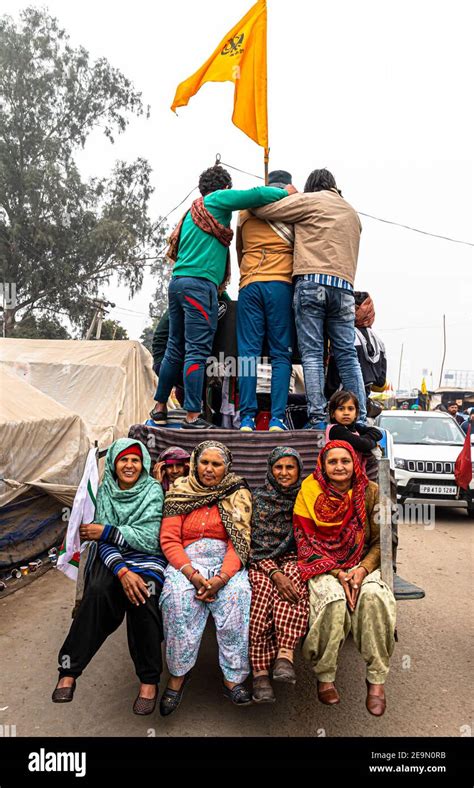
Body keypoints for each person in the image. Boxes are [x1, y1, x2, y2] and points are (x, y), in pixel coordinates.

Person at [151, 165, 293, 430]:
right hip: (200, 286)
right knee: (196, 351)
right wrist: (285, 191)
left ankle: (159, 407)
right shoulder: (217, 199)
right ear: (225, 188)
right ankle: (193, 415)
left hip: (178, 282)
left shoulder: (192, 211)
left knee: (175, 348)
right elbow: (255, 195)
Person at [52, 439, 166, 715]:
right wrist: (121, 570)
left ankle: (149, 680)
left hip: (146, 558)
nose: (129, 465)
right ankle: (69, 670)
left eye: (135, 460)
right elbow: (97, 537)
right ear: (114, 463)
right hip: (113, 557)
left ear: (144, 464)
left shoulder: (152, 491)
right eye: (123, 460)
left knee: (143, 598)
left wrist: (105, 531)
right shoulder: (105, 490)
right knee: (98, 591)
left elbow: (150, 539)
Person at [253, 168, 367, 429]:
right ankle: (359, 418)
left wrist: (287, 194)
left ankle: (317, 418)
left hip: (312, 283)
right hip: (345, 289)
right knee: (347, 355)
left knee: (313, 354)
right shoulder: (352, 212)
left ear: (312, 186)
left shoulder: (310, 201)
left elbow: (264, 211)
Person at [293, 440, 396, 717]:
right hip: (322, 566)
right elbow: (305, 541)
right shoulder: (309, 490)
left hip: (362, 564)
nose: (339, 466)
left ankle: (376, 680)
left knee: (375, 598)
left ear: (354, 464)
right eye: (332, 461)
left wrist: (361, 571)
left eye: (345, 461)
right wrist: (338, 573)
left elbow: (380, 542)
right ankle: (325, 675)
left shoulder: (370, 492)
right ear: (323, 466)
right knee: (334, 601)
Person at [159, 440, 253, 714]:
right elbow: (169, 539)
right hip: (186, 563)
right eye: (204, 462)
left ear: (227, 467)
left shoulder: (237, 493)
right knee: (176, 601)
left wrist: (221, 578)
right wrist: (193, 574)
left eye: (216, 463)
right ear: (194, 464)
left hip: (226, 563)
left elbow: (240, 542)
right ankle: (178, 675)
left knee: (238, 597)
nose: (209, 469)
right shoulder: (180, 491)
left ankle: (232, 678)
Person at [236, 169, 296, 432]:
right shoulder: (292, 207)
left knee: (247, 355)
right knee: (280, 355)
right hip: (281, 283)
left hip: (249, 283)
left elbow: (239, 250)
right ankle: (277, 418)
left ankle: (247, 418)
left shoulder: (245, 211)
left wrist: (249, 273)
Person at [248, 447, 309, 703]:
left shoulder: (307, 498)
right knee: (261, 593)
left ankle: (285, 656)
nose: (284, 473)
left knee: (295, 580)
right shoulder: (257, 498)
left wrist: (285, 571)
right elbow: (251, 544)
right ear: (270, 470)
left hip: (296, 559)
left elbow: (310, 539)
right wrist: (273, 572)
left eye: (290, 467)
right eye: (278, 467)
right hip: (261, 560)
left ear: (299, 471)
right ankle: (260, 672)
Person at [326, 390, 382, 479]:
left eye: (350, 409)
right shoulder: (335, 430)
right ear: (333, 413)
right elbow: (362, 444)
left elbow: (378, 433)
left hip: (355, 476)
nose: (346, 413)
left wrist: (362, 440)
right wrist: (373, 443)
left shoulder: (355, 427)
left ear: (356, 413)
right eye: (341, 409)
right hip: (339, 476)